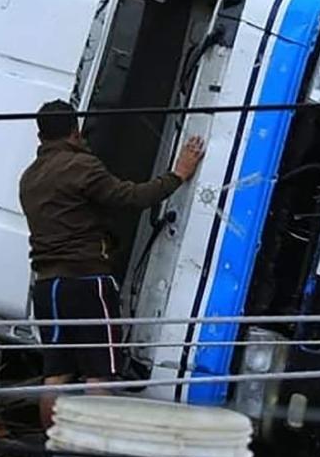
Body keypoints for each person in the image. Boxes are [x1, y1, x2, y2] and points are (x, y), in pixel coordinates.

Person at [19, 99, 205, 427]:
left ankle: (52, 452)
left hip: (47, 287)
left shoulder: (29, 177)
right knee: (100, 373)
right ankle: (93, 452)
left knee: (56, 374)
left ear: (40, 136)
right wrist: (178, 174)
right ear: (75, 131)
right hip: (86, 281)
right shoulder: (81, 167)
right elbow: (130, 197)